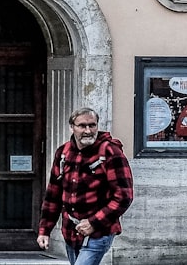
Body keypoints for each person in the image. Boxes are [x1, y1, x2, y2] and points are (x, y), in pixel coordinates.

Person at [37, 107, 134, 265]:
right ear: (72, 127)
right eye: (82, 126)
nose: (88, 131)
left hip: (100, 231)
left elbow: (124, 196)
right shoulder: (63, 153)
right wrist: (44, 230)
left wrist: (93, 223)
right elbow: (53, 196)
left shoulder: (110, 152)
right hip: (71, 231)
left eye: (92, 125)